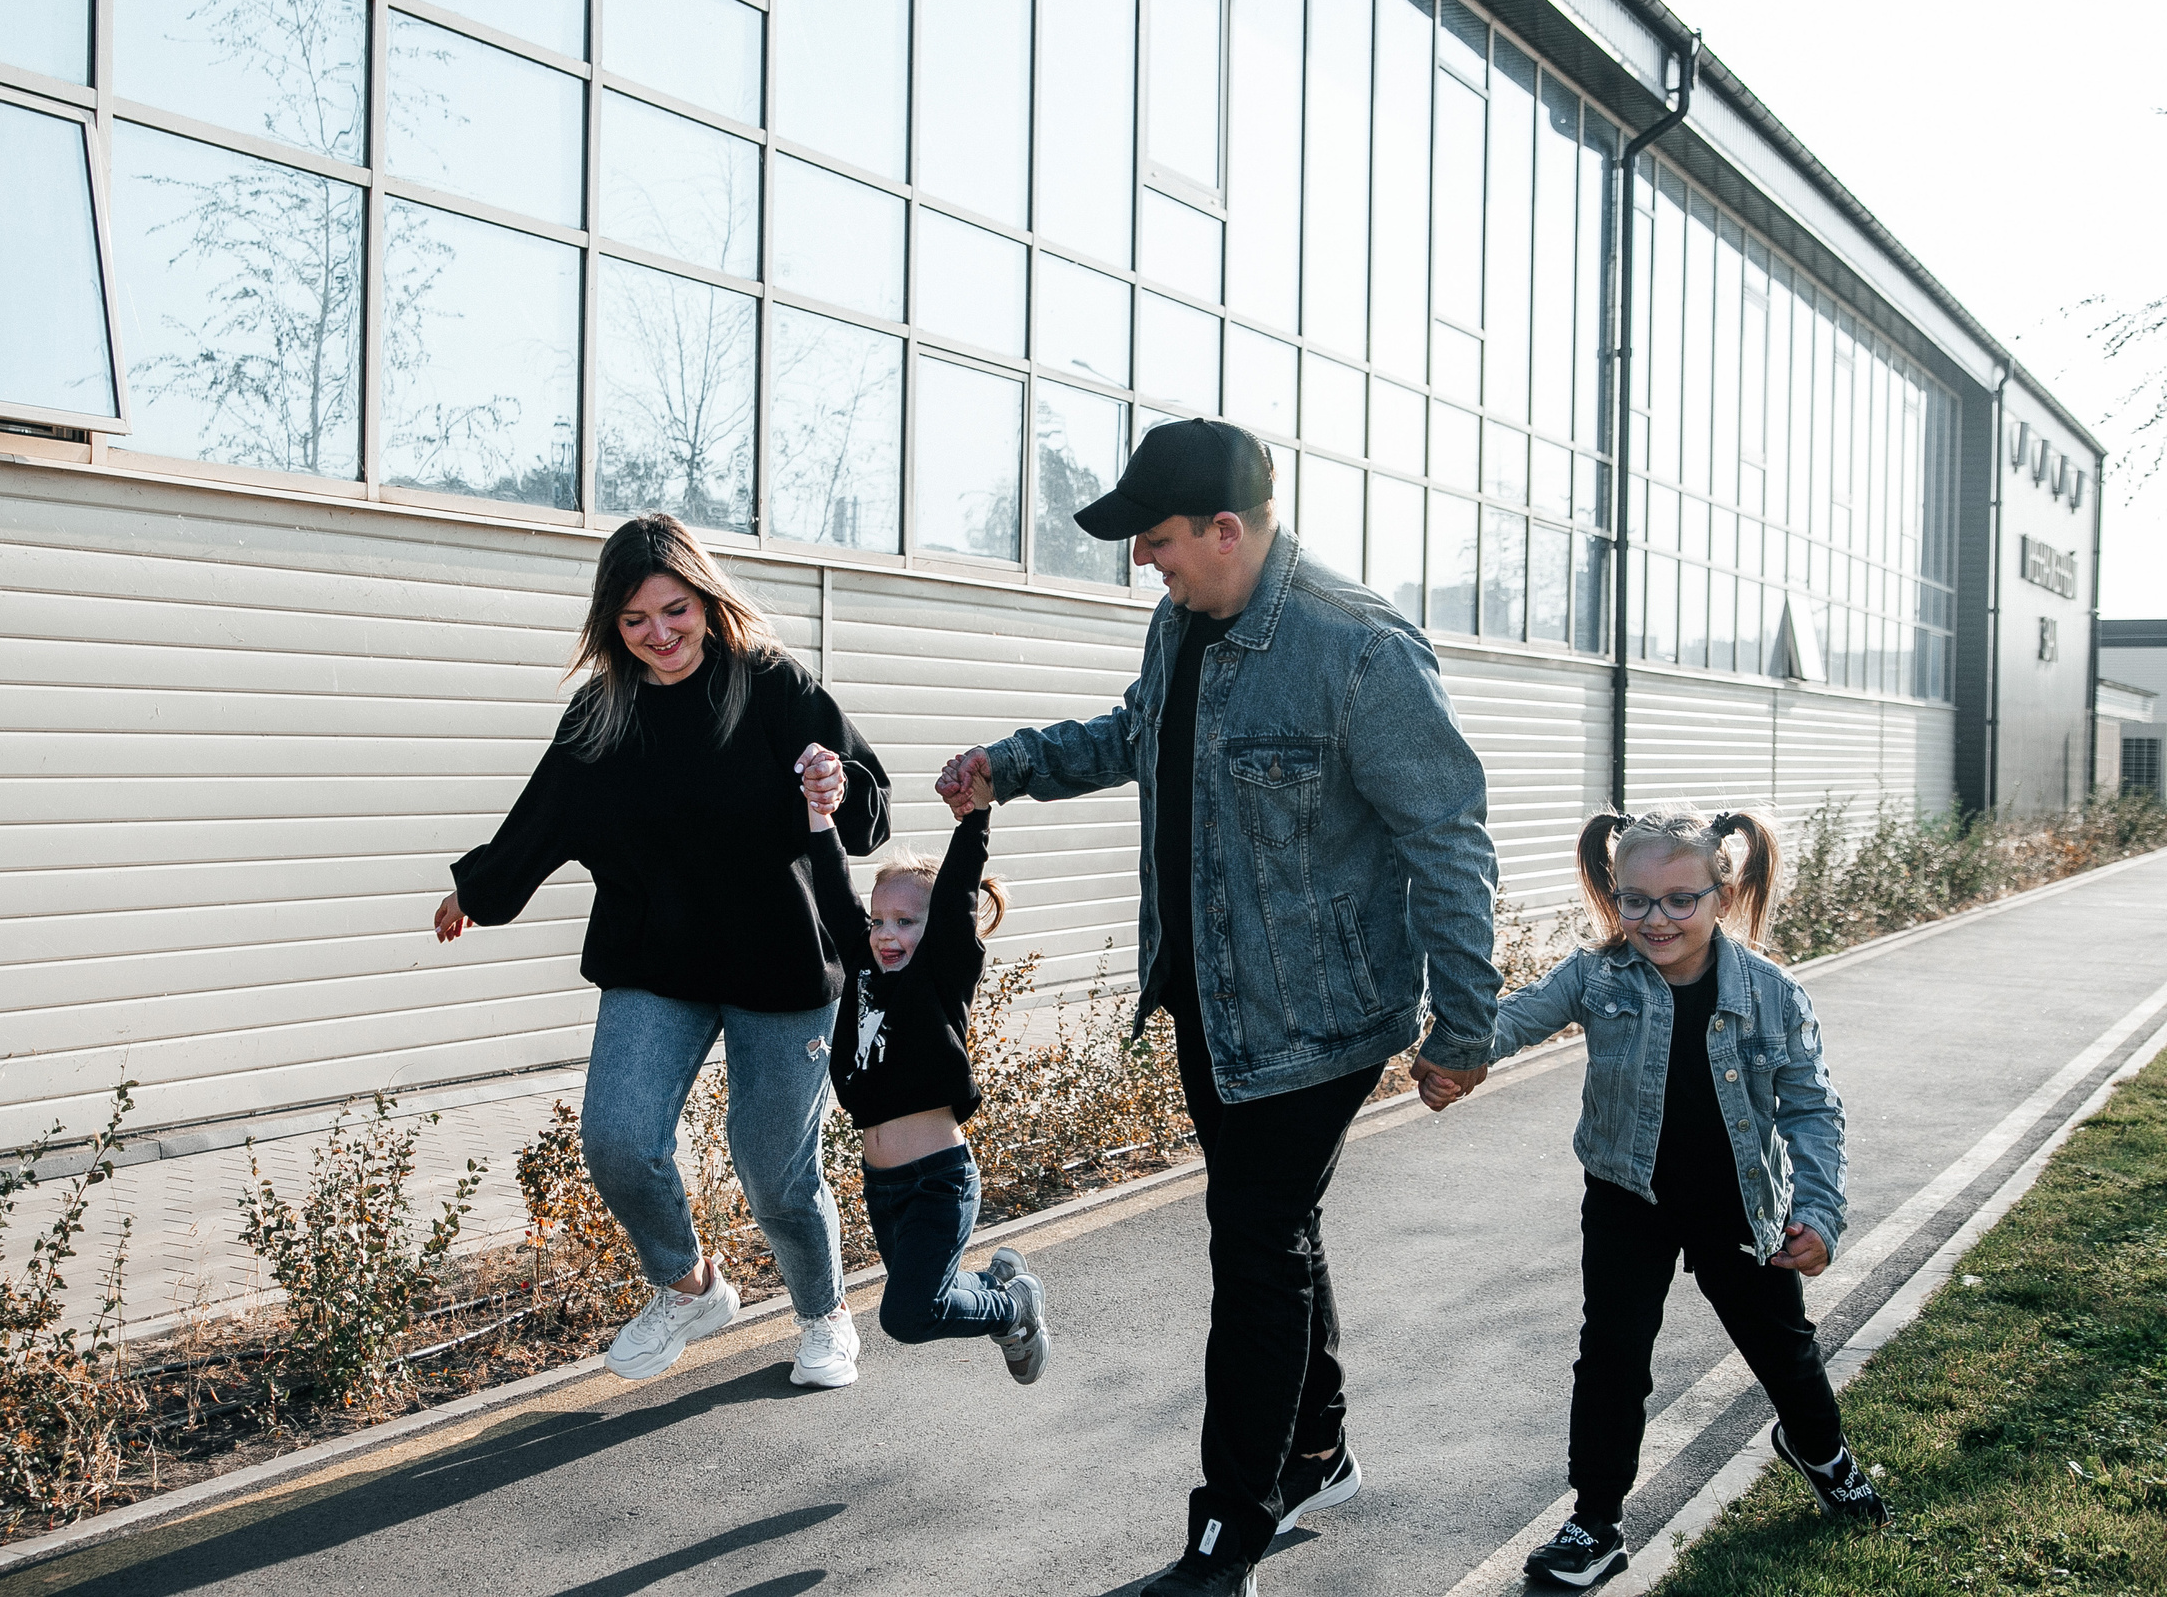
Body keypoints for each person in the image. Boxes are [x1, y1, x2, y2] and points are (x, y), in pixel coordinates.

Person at [935, 418, 1501, 1596]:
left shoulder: (1359, 650)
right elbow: (1140, 733)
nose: (1143, 559)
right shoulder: (1183, 624)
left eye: (1155, 540)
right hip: (1209, 1000)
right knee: (1275, 1231)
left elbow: (1448, 842)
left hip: (1321, 1018)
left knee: (1253, 1247)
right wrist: (1015, 764)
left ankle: (1226, 1533)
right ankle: (1316, 1453)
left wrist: (1465, 1025)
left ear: (1225, 529)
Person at [433, 514, 888, 1389]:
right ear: (612, 623)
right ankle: (691, 1287)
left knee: (775, 1174)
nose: (660, 633)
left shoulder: (770, 683)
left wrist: (838, 784)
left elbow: (866, 808)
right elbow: (542, 817)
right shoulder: (602, 711)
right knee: (617, 1138)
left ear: (707, 600)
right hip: (656, 959)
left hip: (780, 962)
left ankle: (824, 1312)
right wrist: (477, 893)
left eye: (675, 609)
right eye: (636, 618)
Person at [1421, 806, 1889, 1587]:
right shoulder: (1597, 975)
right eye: (1635, 899)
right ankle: (1595, 1520)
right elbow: (1515, 1019)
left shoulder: (1772, 993)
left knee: (1783, 1348)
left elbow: (1813, 1109)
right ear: (1615, 895)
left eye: (1680, 899)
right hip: (1625, 1198)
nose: (1656, 918)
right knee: (1612, 1354)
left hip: (1740, 1205)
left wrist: (1818, 1211)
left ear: (1721, 895)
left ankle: (1820, 1449)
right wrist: (1457, 1056)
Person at [797, 743, 1054, 1385]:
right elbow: (832, 887)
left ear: (935, 929)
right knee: (926, 1295)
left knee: (910, 1316)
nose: (887, 934)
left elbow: (960, 882)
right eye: (880, 921)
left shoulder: (940, 972)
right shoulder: (864, 965)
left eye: (907, 922)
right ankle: (996, 1286)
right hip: (883, 1187)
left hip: (938, 1182)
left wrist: (975, 815)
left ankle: (1012, 1307)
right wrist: (819, 810)